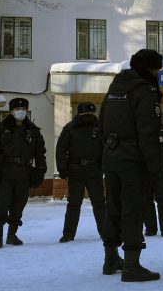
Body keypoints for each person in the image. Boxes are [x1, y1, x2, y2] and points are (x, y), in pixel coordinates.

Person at [99, 49, 163, 282]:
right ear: (148, 69)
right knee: (133, 209)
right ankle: (132, 265)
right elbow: (148, 130)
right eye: (156, 69)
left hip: (112, 154)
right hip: (133, 158)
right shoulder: (144, 90)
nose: (158, 73)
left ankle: (110, 258)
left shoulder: (116, 87)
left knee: (113, 206)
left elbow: (102, 120)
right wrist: (155, 164)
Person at [0, 98, 47, 248]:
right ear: (11, 111)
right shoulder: (1, 129)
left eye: (23, 109)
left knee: (19, 205)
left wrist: (40, 171)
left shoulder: (33, 131)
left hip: (24, 174)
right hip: (5, 173)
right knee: (2, 204)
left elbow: (40, 153)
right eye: (17, 108)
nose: (20, 111)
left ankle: (11, 235)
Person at [56, 102, 106, 243]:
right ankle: (68, 234)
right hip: (75, 170)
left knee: (100, 203)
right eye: (86, 114)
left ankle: (105, 232)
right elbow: (61, 149)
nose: (89, 116)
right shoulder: (70, 128)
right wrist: (62, 168)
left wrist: (104, 167)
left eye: (91, 113)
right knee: (74, 204)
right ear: (79, 114)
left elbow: (106, 148)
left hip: (94, 170)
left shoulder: (99, 127)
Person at [143, 168, 163, 238]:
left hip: (151, 167)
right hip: (154, 166)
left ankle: (152, 228)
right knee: (159, 200)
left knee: (152, 200)